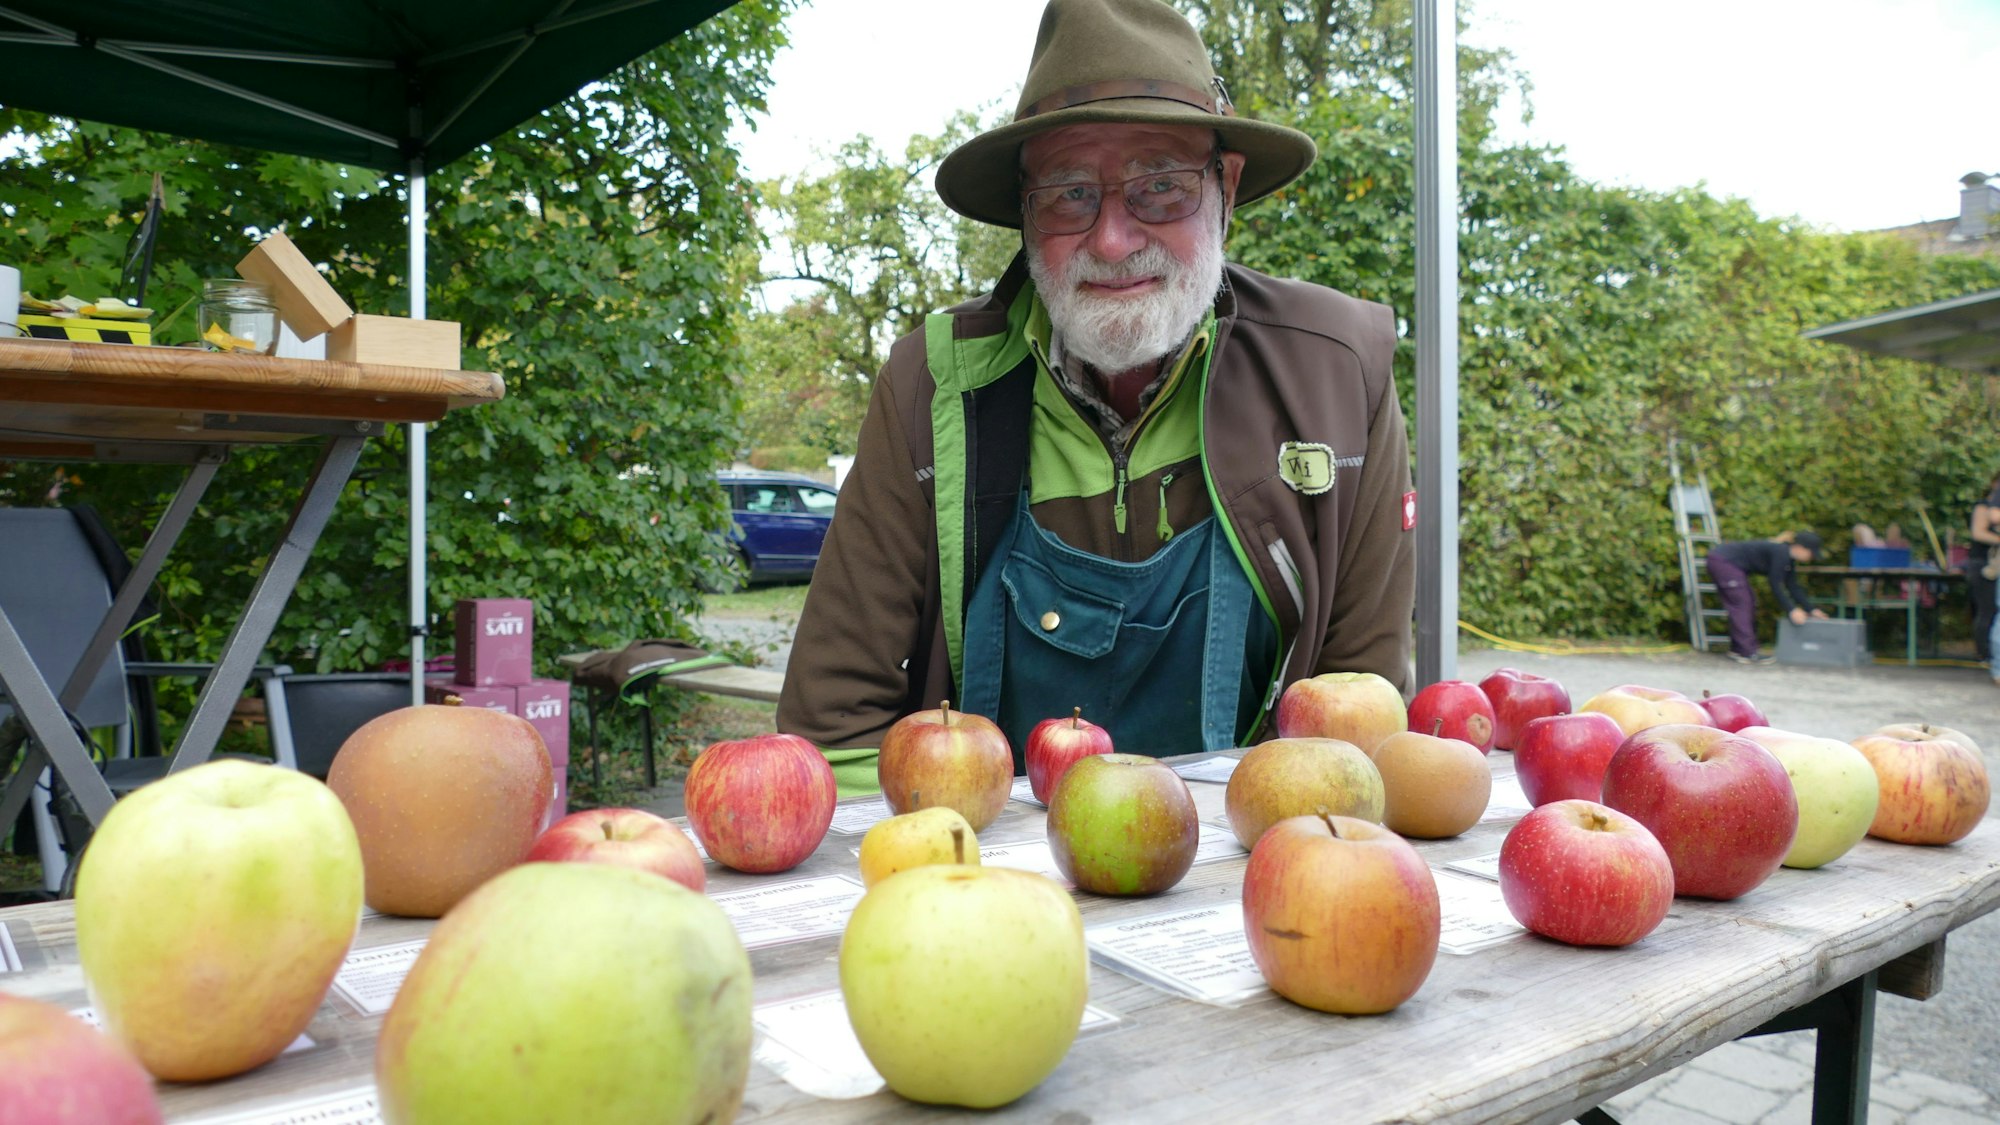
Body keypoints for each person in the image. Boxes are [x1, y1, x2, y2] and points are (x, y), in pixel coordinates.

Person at [776, 0, 1414, 778]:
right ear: (1024, 211)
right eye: (1070, 193)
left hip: (1255, 874)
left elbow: (1363, 722)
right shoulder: (932, 387)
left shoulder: (1338, 372)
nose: (1113, 239)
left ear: (1227, 186)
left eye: (1163, 185)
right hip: (983, 880)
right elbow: (833, 730)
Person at [1703, 531, 1828, 664]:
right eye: (1811, 553)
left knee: (1746, 602)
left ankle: (1739, 649)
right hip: (1723, 561)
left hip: (1726, 562)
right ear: (1801, 548)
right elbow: (1775, 584)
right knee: (1742, 603)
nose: (1812, 557)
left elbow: (1792, 586)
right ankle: (1747, 652)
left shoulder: (1787, 558)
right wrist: (1792, 610)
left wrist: (1811, 610)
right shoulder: (1781, 553)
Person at [1965, 470, 2000, 666]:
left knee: (1994, 611)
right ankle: (1983, 655)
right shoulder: (1983, 506)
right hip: (1981, 564)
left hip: (1993, 564)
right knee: (1986, 610)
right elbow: (1978, 533)